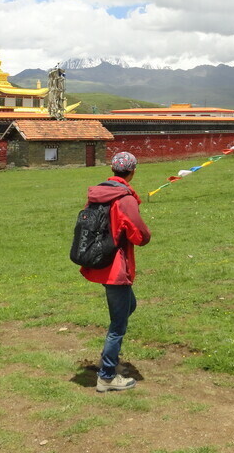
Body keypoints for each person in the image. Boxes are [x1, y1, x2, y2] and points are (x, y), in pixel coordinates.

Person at [80, 151, 151, 392]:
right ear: (132, 171)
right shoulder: (124, 198)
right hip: (116, 267)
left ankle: (108, 363)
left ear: (113, 170)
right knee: (118, 324)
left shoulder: (97, 196)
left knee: (129, 306)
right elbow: (139, 236)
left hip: (99, 262)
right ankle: (107, 376)